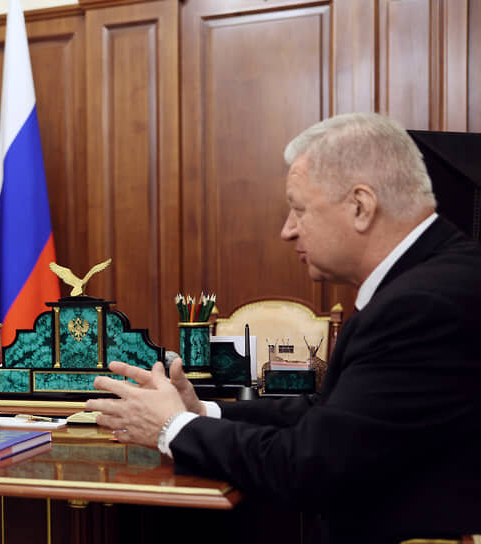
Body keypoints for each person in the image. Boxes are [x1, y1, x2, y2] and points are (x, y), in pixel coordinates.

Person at [87, 113, 481, 542]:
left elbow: (312, 466)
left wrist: (172, 428)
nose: (287, 230)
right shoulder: (431, 279)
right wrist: (201, 413)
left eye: (299, 209)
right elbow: (328, 414)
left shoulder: (421, 305)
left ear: (360, 207)